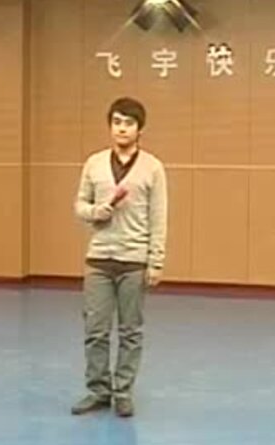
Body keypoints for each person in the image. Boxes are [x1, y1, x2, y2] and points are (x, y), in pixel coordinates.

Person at [71, 97, 168, 417]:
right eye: (116, 122)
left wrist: (155, 260)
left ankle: (123, 391)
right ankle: (98, 390)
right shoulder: (94, 163)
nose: (121, 128)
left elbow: (158, 217)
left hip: (134, 260)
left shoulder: (152, 168)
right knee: (95, 329)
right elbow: (80, 205)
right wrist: (95, 212)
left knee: (130, 331)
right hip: (99, 259)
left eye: (128, 123)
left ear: (140, 129)